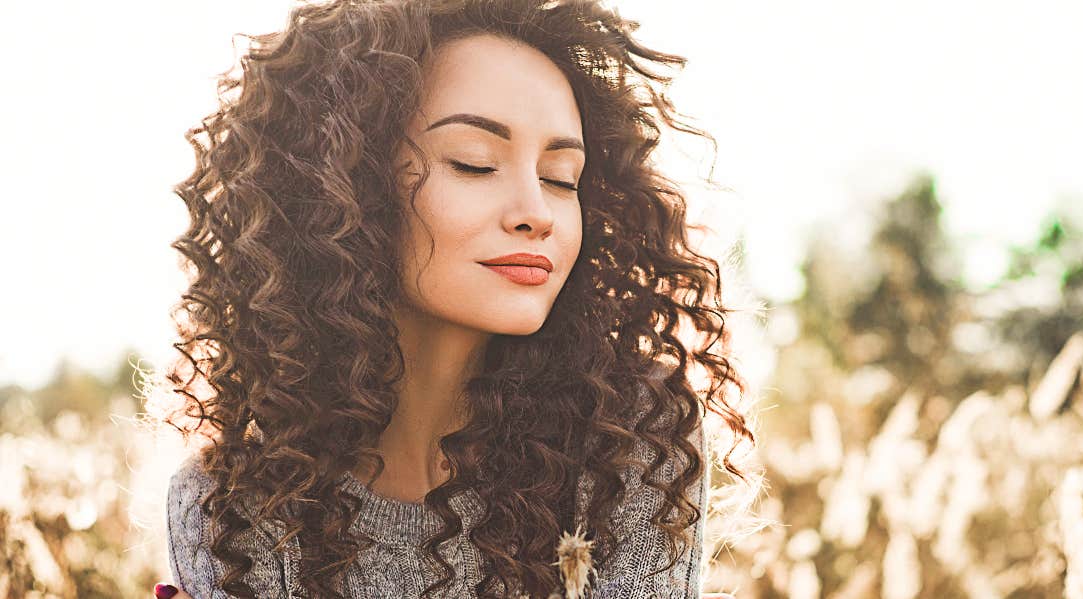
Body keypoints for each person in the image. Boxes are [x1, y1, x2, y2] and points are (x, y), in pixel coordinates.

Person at [150, 0, 755, 597]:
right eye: (475, 164)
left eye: (559, 177)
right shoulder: (229, 503)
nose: (536, 213)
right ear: (343, 189)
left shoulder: (632, 439)